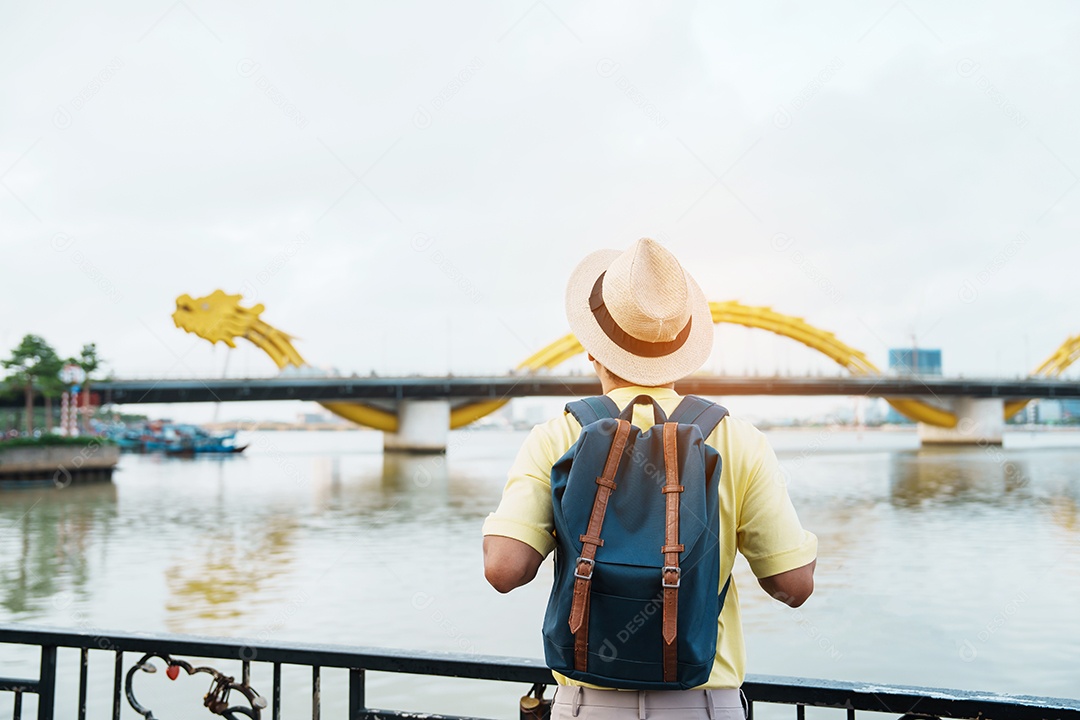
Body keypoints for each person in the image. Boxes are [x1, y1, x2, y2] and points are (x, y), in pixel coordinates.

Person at [482, 238, 817, 719]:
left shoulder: (558, 436)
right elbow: (793, 586)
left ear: (593, 350)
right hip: (703, 706)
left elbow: (504, 570)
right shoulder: (737, 440)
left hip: (587, 708)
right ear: (683, 349)